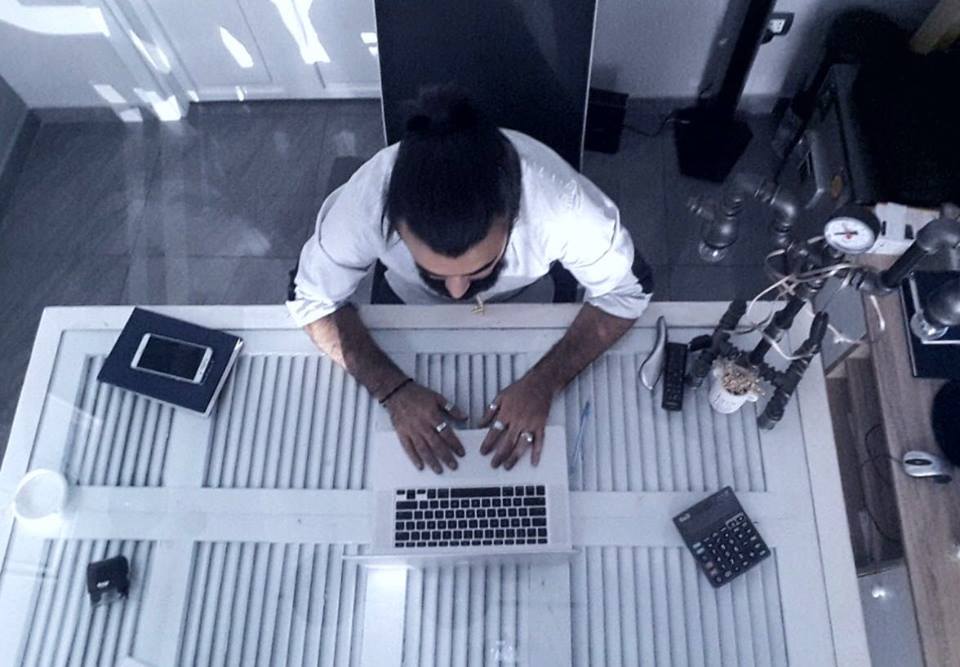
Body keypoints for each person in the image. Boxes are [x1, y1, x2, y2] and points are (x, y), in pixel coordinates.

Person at [288, 87, 651, 474]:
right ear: (391, 221)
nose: (457, 293)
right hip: (409, 304)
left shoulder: (566, 208)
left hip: (528, 297)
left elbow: (627, 291)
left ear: (516, 216)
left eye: (479, 269)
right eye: (433, 271)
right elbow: (311, 300)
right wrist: (391, 389)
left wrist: (546, 381)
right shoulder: (363, 205)